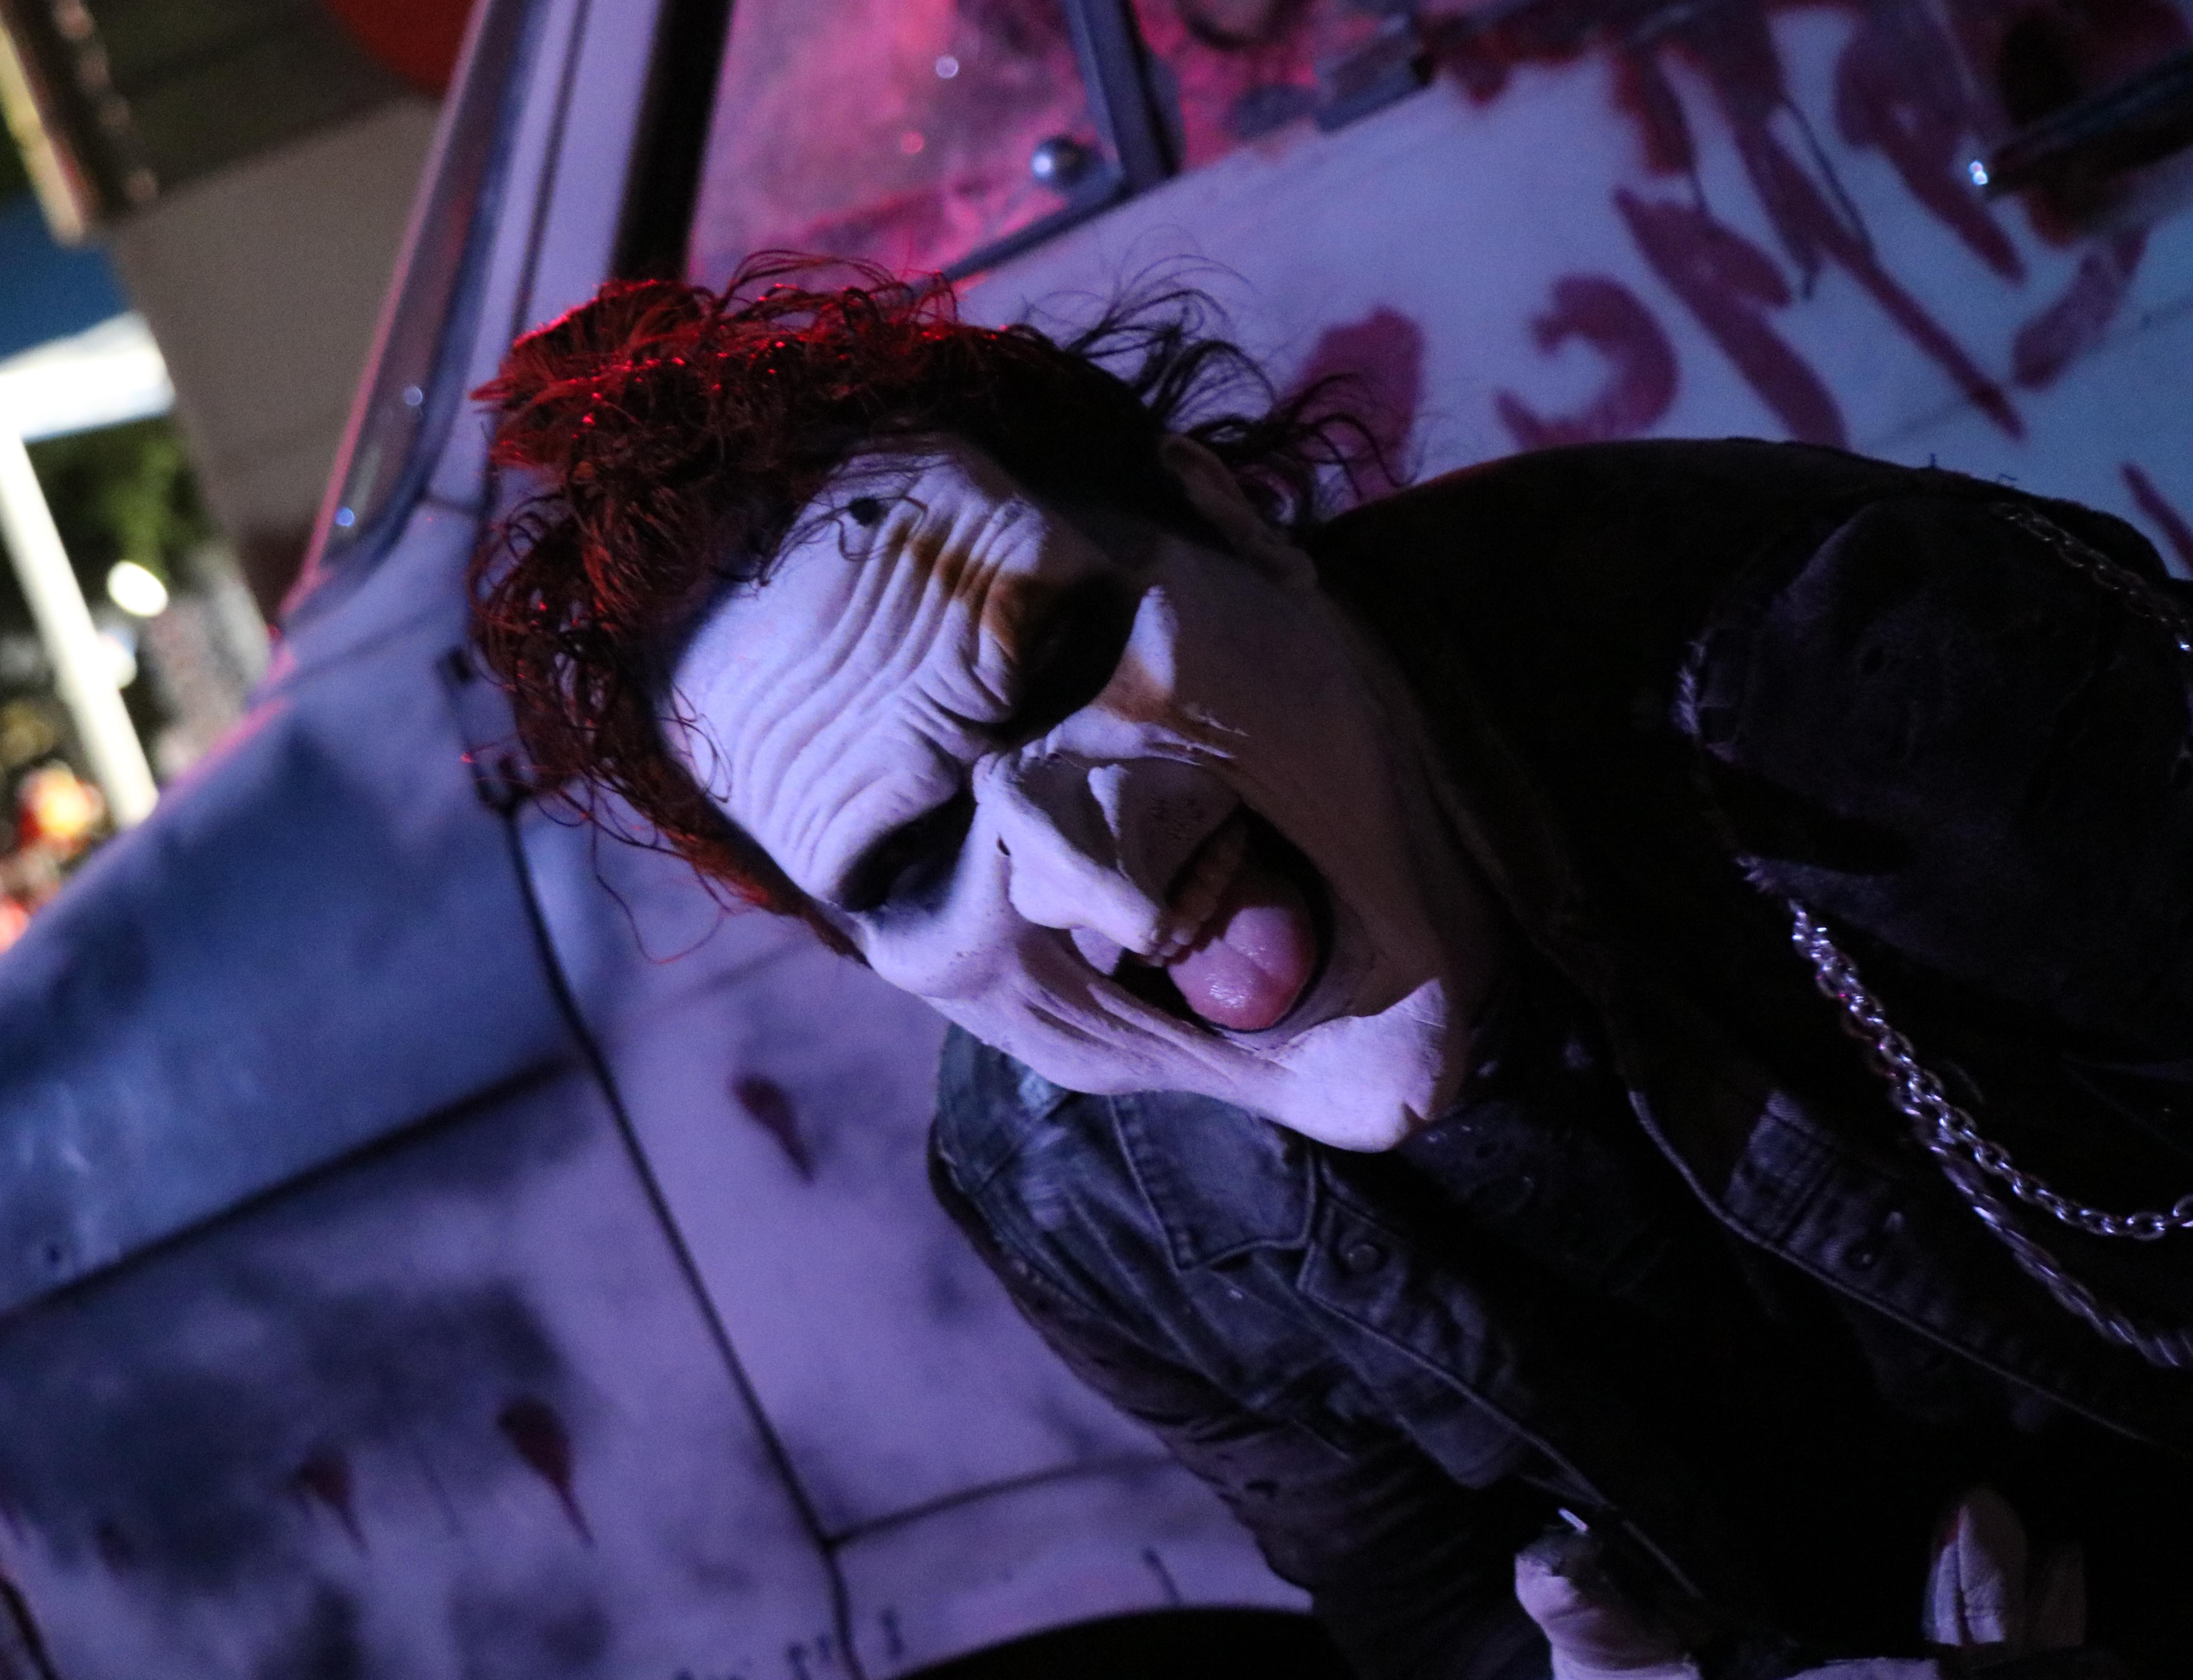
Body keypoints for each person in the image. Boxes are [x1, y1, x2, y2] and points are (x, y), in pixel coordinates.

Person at [468, 259, 2193, 1679]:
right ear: (863, 958)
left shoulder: (1846, 670)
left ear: (1232, 515)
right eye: (911, 862)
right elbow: (1435, 1617)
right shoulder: (1076, 1194)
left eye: (1064, 666)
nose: (1091, 879)